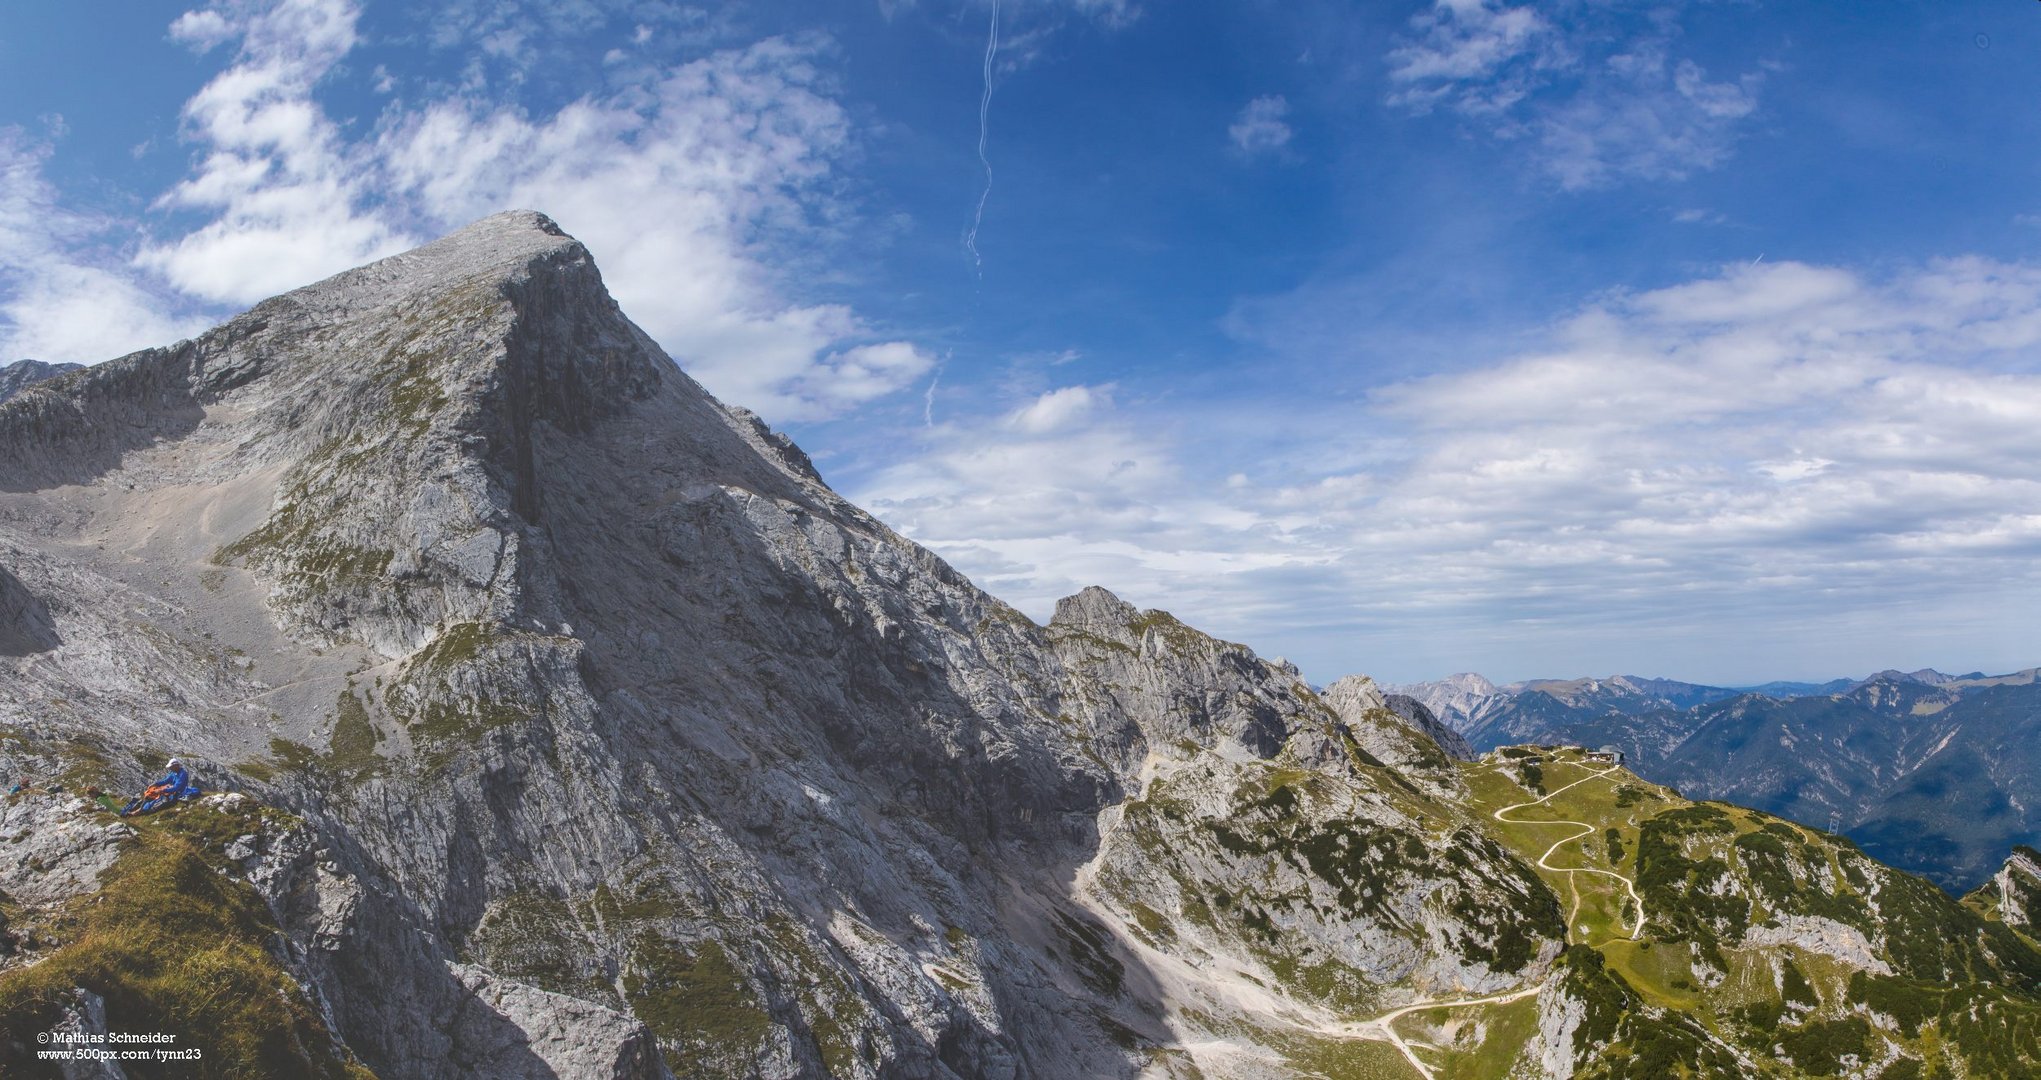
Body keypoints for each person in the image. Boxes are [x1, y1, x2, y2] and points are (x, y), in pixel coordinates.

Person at [120, 757, 201, 816]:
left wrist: (163, 790)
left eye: (171, 767)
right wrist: (156, 784)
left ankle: (139, 811)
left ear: (176, 766)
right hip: (170, 790)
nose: (170, 769)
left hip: (177, 793)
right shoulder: (173, 773)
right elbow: (165, 781)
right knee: (152, 795)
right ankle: (136, 808)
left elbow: (177, 787)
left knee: (159, 799)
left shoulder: (182, 774)